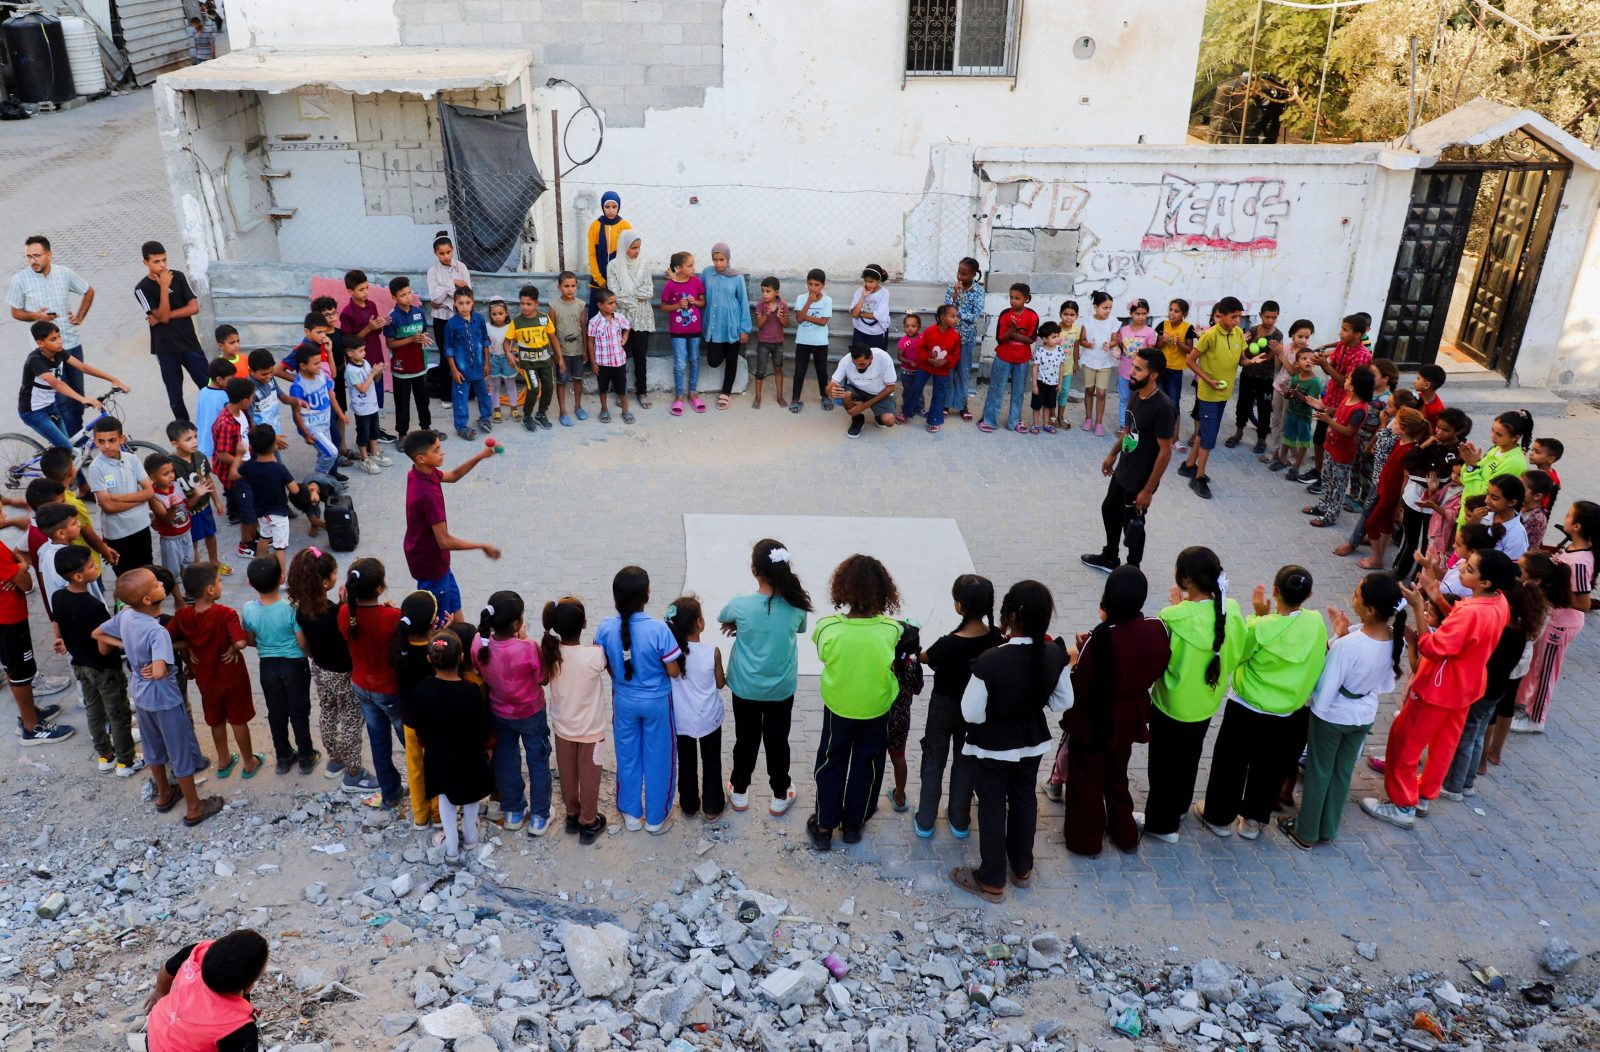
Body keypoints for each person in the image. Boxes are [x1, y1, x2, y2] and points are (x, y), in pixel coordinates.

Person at [1362, 548, 1519, 828]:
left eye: (1470, 569)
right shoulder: (1499, 602)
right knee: (1443, 745)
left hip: (1439, 688)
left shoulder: (1472, 612)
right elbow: (1465, 632)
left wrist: (1419, 607)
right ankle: (1422, 795)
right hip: (1465, 687)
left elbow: (1432, 647)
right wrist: (1437, 600)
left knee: (1405, 743)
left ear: (1485, 582)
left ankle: (1402, 805)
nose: (1461, 570)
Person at [950, 580, 1073, 902]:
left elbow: (971, 712)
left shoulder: (991, 660)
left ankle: (991, 878)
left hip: (992, 746)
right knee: (1024, 800)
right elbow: (1063, 701)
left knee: (992, 807)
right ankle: (1022, 867)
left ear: (1011, 616)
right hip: (1032, 742)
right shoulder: (1052, 654)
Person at [1195, 566, 1326, 840]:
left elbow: (1240, 653)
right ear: (1309, 594)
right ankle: (1253, 822)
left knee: (1230, 763)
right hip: (1287, 712)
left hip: (1246, 707)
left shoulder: (1259, 626)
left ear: (1274, 591)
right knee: (1270, 767)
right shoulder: (1315, 623)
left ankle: (1219, 818)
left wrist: (1257, 615)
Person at [1278, 573, 1403, 848]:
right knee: (1341, 772)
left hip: (1332, 715)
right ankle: (1328, 828)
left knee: (1319, 772)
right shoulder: (1393, 638)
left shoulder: (1349, 645)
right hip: (1363, 714)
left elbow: (1326, 685)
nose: (1352, 597)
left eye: (1357, 594)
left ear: (1369, 609)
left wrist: (1314, 708)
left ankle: (1306, 832)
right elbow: (1385, 685)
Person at [94, 568, 224, 824]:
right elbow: (161, 669)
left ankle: (164, 793)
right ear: (146, 599)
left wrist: (128, 649)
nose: (162, 585)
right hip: (164, 697)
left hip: (140, 694)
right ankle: (194, 806)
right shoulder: (157, 632)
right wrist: (153, 665)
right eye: (156, 584)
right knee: (180, 750)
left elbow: (97, 634)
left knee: (152, 747)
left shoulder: (126, 616)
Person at [1058, 566, 1169, 856]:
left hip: (1094, 721)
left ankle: (1086, 841)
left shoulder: (1101, 639)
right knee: (1117, 775)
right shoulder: (1157, 630)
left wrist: (1075, 660)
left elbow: (1081, 685)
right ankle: (1125, 834)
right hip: (1129, 716)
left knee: (1085, 781)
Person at [1143, 546, 1246, 843]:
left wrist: (1177, 609)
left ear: (1185, 581)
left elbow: (1163, 660)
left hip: (1171, 706)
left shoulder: (1173, 617)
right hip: (1205, 704)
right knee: (1189, 757)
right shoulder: (1231, 611)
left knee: (1163, 766)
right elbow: (1236, 650)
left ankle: (1162, 826)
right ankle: (1178, 808)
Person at [808, 555, 902, 851]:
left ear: (843, 589)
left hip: (839, 709)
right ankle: (853, 825)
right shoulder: (892, 630)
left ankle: (824, 826)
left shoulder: (827, 628)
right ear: (883, 592)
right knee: (868, 765)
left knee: (830, 761)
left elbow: (824, 655)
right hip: (876, 708)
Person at [1439, 554, 1548, 800]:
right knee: (1477, 736)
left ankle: (1454, 786)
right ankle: (1467, 783)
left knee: (1466, 737)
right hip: (1496, 691)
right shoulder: (1520, 631)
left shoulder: (1503, 633)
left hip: (1483, 690)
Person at [718, 539, 810, 816]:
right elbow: (800, 628)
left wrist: (739, 626)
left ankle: (740, 790)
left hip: (745, 688)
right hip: (781, 689)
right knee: (777, 741)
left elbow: (723, 617)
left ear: (755, 570)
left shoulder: (741, 606)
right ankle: (780, 793)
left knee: (745, 740)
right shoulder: (796, 605)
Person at [596, 566, 683, 833]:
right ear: (647, 594)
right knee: (660, 757)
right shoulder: (659, 629)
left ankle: (631, 814)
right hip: (657, 702)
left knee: (627, 755)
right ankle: (656, 818)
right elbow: (673, 670)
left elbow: (604, 663)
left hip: (624, 700)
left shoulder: (605, 628)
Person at [914, 574, 1000, 839]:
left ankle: (926, 819)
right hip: (976, 712)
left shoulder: (948, 644)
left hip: (944, 707)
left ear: (959, 606)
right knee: (967, 760)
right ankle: (959, 819)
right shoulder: (996, 639)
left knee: (934, 758)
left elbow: (926, 657)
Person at [286, 548, 375, 792]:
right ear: (325, 582)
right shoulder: (336, 612)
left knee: (327, 711)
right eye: (335, 573)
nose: (338, 576)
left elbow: (305, 645)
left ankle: (335, 760)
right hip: (343, 673)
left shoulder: (301, 609)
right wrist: (346, 606)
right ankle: (354, 773)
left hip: (320, 669)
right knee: (350, 719)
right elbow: (348, 635)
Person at [1081, 348, 1176, 573]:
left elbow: (1165, 452)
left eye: (1138, 369)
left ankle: (1133, 569)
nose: (1131, 372)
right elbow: (1128, 429)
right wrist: (1113, 454)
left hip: (1141, 479)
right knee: (1109, 509)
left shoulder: (1163, 408)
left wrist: (1148, 490)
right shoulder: (1137, 392)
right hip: (1124, 469)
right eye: (1133, 366)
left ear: (1153, 375)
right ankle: (1110, 557)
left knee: (1133, 525)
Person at [168, 561, 262, 780]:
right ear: (210, 590)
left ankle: (223, 760)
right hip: (232, 677)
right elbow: (240, 643)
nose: (220, 585)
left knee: (216, 720)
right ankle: (249, 761)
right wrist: (233, 646)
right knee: (238, 720)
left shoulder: (183, 616)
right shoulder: (225, 614)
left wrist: (187, 645)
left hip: (206, 679)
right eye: (219, 581)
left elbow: (165, 638)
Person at [1511, 500, 1596, 733]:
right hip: (1551, 618)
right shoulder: (1572, 549)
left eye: (1569, 515)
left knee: (1545, 669)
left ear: (1577, 526)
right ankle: (1522, 702)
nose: (1565, 518)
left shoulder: (1580, 562)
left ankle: (1535, 718)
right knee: (1535, 662)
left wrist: (1549, 592)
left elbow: (1583, 603)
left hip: (1561, 624)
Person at [473, 590, 552, 835]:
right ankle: (539, 815)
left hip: (499, 713)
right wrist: (524, 640)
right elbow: (543, 678)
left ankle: (513, 811)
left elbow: (478, 668)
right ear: (517, 623)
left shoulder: (479, 642)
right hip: (531, 713)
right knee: (538, 761)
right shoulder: (528, 647)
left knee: (506, 761)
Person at [401, 428, 500, 622]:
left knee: (456, 615)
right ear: (421, 458)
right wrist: (481, 545)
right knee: (442, 625)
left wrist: (480, 456)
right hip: (431, 567)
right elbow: (444, 541)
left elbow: (453, 475)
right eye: (436, 450)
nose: (442, 452)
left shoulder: (420, 473)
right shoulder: (427, 494)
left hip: (438, 564)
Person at [412, 630, 494, 863]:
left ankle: (451, 848)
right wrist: (488, 746)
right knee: (470, 798)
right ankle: (470, 838)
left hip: (438, 754)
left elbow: (420, 724)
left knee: (446, 797)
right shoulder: (470, 691)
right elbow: (481, 725)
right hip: (468, 754)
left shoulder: (423, 689)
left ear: (429, 659)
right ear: (461, 656)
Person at [50, 546, 135, 768]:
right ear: (78, 576)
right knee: (118, 713)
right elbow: (103, 644)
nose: (96, 566)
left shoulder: (58, 596)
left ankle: (105, 755)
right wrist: (121, 645)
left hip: (79, 664)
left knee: (94, 711)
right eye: (91, 566)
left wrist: (59, 639)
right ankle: (126, 760)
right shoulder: (94, 606)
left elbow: (56, 620)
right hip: (103, 668)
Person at [339, 560, 409, 814]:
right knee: (410, 741)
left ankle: (390, 794)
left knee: (379, 743)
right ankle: (424, 789)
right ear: (380, 588)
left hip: (361, 686)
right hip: (389, 690)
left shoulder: (345, 613)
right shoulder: (392, 617)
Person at [8, 235, 95, 435]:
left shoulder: (64, 273)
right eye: (28, 257)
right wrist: (35, 316)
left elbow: (88, 291)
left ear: (48, 255)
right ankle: (74, 445)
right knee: (61, 400)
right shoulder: (20, 280)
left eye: (37, 255)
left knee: (78, 395)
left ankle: (75, 436)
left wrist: (80, 316)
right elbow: (15, 312)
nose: (32, 261)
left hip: (71, 344)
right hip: (45, 352)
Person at [240, 555, 318, 776]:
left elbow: (250, 638)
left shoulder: (248, 609)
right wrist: (310, 655)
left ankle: (283, 757)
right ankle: (305, 757)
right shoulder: (291, 608)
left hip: (268, 665)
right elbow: (302, 641)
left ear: (250, 582)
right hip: (294, 664)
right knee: (299, 711)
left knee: (276, 712)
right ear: (281, 578)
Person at [542, 596, 610, 844]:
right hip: (591, 730)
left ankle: (572, 815)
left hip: (563, 728)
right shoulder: (594, 655)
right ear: (584, 624)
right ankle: (588, 822)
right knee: (590, 777)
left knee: (568, 773)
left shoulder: (551, 654)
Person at [1, 535, 73, 746]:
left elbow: (17, 563)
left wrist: (19, 566)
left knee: (12, 667)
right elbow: (26, 584)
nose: (3, 518)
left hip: (7, 617)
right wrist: (22, 568)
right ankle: (32, 728)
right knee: (20, 671)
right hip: (8, 618)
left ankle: (28, 714)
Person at [144, 929, 268, 1051]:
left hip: (155, 1034)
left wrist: (160, 991)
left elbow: (166, 969)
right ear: (250, 985)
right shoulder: (237, 1026)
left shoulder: (198, 953)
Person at [18, 320, 128, 447]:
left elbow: (82, 367)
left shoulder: (58, 352)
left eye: (59, 336)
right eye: (53, 339)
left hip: (51, 406)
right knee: (67, 449)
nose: (59, 341)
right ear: (40, 343)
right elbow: (57, 384)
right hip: (33, 412)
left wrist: (113, 379)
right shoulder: (35, 360)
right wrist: (83, 399)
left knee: (68, 446)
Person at [1177, 295, 1245, 501]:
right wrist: (1208, 380)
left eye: (1239, 317)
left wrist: (1253, 361)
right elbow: (1190, 360)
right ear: (1221, 316)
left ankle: (1188, 465)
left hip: (1225, 393)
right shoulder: (1210, 335)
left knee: (1204, 432)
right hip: (1208, 394)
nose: (1237, 321)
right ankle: (1198, 477)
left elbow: (1242, 360)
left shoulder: (1238, 333)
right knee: (1209, 438)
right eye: (1233, 317)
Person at [134, 241, 209, 422]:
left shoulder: (179, 277)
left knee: (208, 386)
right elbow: (163, 315)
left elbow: (193, 308)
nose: (163, 265)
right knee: (175, 397)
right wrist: (162, 289)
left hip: (189, 342)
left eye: (164, 260)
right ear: (146, 263)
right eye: (157, 262)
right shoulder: (141, 289)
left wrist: (161, 317)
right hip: (165, 348)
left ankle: (216, 421)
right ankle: (184, 431)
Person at [666, 595, 727, 820]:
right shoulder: (713, 652)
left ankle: (689, 805)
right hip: (709, 718)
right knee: (712, 761)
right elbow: (720, 684)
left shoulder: (671, 657)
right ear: (700, 623)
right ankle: (712, 807)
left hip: (682, 720)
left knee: (687, 763)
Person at [1303, 313, 1373, 489]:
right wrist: (1322, 361)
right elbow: (1333, 369)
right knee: (1320, 438)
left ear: (1357, 334)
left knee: (1334, 443)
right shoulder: (1342, 346)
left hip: (1345, 405)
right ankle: (1319, 471)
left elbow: (1347, 383)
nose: (1341, 333)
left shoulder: (1361, 356)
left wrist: (1325, 365)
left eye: (1345, 329)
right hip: (1330, 399)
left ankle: (1327, 480)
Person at [1356, 408, 1430, 569]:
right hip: (1385, 488)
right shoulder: (1400, 440)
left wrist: (1399, 502)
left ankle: (1376, 559)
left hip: (1391, 494)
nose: (1392, 424)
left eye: (1396, 422)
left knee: (1372, 524)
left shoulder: (1409, 449)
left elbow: (1405, 478)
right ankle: (1379, 555)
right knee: (1385, 525)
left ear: (1405, 429)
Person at [1302, 365, 1375, 528]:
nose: (1345, 379)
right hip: (1331, 448)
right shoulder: (1348, 397)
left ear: (1355, 386)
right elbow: (1337, 411)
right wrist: (1322, 407)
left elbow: (1349, 431)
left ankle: (1331, 515)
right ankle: (1322, 507)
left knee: (1338, 486)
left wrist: (1328, 420)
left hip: (1343, 454)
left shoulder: (1360, 409)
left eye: (1349, 378)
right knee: (1327, 479)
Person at [88, 416, 156, 573]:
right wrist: (140, 498)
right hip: (118, 533)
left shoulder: (132, 459)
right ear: (95, 441)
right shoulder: (96, 468)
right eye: (101, 441)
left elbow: (150, 491)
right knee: (127, 575)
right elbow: (108, 506)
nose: (106, 446)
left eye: (112, 440)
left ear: (122, 439)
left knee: (147, 569)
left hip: (141, 525)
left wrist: (117, 498)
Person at [235, 425, 303, 573]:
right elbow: (295, 489)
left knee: (264, 538)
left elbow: (234, 474)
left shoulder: (249, 466)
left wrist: (239, 454)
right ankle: (281, 577)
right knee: (279, 547)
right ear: (274, 445)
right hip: (278, 514)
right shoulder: (279, 469)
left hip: (261, 512)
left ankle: (258, 569)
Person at [978, 283, 1038, 434]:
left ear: (1027, 299)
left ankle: (1014, 422)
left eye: (1017, 298)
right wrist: (1011, 330)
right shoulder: (1005, 315)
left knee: (1018, 391)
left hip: (1022, 359)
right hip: (1003, 357)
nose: (1013, 301)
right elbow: (1001, 339)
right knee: (996, 389)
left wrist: (1011, 333)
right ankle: (989, 420)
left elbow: (1030, 339)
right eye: (1011, 297)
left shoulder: (1032, 316)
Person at [338, 269, 391, 436]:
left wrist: (381, 324)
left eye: (367, 288)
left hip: (375, 356)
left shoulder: (371, 305)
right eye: (361, 289)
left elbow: (377, 331)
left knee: (377, 395)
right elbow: (348, 342)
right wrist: (369, 327)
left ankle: (376, 430)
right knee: (364, 397)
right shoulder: (347, 313)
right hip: (359, 364)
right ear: (350, 291)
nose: (366, 292)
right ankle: (366, 433)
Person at [1458, 409, 1533, 527]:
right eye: (1492, 430)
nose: (1493, 437)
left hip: (1481, 520)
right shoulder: (1497, 448)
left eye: (1499, 434)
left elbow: (1484, 494)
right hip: (1467, 510)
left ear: (1515, 437)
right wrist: (1471, 462)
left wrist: (1472, 466)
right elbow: (1464, 480)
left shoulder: (1514, 462)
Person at [211, 378, 258, 561]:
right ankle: (245, 544)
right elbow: (222, 455)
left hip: (247, 465)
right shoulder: (225, 423)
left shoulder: (242, 412)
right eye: (252, 396)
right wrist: (242, 461)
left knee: (253, 505)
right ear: (245, 400)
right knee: (248, 510)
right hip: (237, 473)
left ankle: (254, 537)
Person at [169, 419, 225, 570]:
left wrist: (217, 500)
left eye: (195, 437)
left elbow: (207, 478)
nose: (194, 442)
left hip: (204, 507)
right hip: (187, 512)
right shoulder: (171, 465)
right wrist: (197, 495)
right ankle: (199, 569)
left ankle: (214, 562)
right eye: (188, 439)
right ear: (175, 443)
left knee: (210, 535)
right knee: (192, 543)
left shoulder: (200, 456)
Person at [1226, 300, 1281, 453]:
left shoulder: (1277, 334)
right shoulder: (1252, 331)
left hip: (1266, 378)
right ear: (1260, 315)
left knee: (1264, 408)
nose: (1270, 320)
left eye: (1274, 317)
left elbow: (1269, 357)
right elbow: (1243, 353)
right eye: (1267, 317)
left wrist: (1253, 350)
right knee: (1243, 404)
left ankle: (1262, 438)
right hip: (1248, 374)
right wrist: (1250, 345)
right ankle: (1238, 433)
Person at [608, 230, 655, 407]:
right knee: (620, 356)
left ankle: (642, 392)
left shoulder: (644, 264)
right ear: (624, 247)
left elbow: (649, 291)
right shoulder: (613, 266)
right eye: (633, 248)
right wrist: (635, 297)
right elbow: (614, 294)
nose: (637, 251)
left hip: (643, 316)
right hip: (621, 317)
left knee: (640, 356)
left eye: (638, 248)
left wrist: (627, 295)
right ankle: (621, 391)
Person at [146, 453, 204, 594]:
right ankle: (177, 598)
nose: (171, 476)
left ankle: (190, 593)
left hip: (186, 533)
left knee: (188, 565)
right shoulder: (154, 496)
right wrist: (172, 508)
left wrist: (198, 494)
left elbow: (187, 506)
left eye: (172, 471)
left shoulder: (176, 485)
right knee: (172, 571)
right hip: (171, 541)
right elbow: (167, 519)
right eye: (166, 474)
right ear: (153, 477)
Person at [383, 276, 433, 440]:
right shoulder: (392, 317)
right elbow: (390, 344)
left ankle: (426, 429)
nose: (408, 297)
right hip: (402, 369)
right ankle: (403, 435)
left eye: (409, 292)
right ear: (394, 298)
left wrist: (423, 337)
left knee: (423, 401)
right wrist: (411, 339)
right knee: (402, 403)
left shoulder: (418, 312)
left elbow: (423, 332)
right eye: (403, 295)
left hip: (419, 365)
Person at [702, 243, 751, 410]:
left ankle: (726, 392)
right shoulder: (707, 273)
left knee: (731, 360)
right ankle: (721, 350)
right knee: (713, 361)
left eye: (721, 259)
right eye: (715, 259)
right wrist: (676, 276)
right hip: (714, 326)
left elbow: (743, 303)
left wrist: (744, 329)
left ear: (728, 259)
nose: (718, 264)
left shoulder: (736, 277)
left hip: (732, 325)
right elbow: (697, 290)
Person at [443, 286, 492, 440]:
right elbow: (448, 349)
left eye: (467, 302)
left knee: (483, 394)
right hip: (461, 371)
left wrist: (487, 363)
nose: (464, 306)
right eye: (460, 303)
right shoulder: (451, 324)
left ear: (473, 303)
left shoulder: (479, 320)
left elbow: (485, 341)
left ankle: (485, 418)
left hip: (479, 367)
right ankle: (461, 426)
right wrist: (454, 371)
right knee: (460, 399)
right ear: (455, 304)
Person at [1265, 319, 1314, 469]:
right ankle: (1274, 449)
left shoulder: (1306, 354)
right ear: (1292, 334)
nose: (1303, 340)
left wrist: (1282, 355)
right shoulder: (1285, 348)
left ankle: (1285, 453)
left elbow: (1293, 372)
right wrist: (1276, 354)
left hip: (1292, 392)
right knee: (1276, 419)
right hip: (1278, 387)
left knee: (1286, 422)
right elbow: (1278, 368)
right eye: (1300, 336)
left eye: (1307, 337)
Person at [661, 253, 706, 416]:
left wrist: (696, 302)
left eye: (693, 265)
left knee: (694, 360)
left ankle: (692, 393)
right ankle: (679, 395)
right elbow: (663, 307)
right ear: (678, 268)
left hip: (695, 331)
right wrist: (678, 305)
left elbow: (703, 302)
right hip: (678, 332)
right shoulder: (670, 286)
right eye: (689, 266)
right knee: (680, 364)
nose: (693, 268)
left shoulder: (696, 282)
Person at [509, 285, 558, 431]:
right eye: (522, 303)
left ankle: (541, 414)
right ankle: (527, 416)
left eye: (528, 304)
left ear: (536, 304)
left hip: (545, 362)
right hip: (529, 364)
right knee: (533, 388)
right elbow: (507, 341)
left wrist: (559, 358)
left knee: (549, 387)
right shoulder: (517, 322)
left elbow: (553, 338)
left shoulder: (544, 319)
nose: (524, 307)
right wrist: (509, 353)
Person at [943, 257, 985, 422]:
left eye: (965, 273)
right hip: (950, 337)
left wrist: (957, 314)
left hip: (966, 338)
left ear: (974, 274)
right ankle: (946, 403)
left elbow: (974, 316)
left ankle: (961, 405)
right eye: (959, 272)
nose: (960, 276)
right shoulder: (951, 287)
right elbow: (946, 310)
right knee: (949, 370)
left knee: (963, 371)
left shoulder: (978, 291)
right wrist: (955, 295)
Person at [827, 343, 898, 439]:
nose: (857, 367)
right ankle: (857, 419)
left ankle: (879, 415)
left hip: (880, 392)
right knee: (845, 394)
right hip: (857, 390)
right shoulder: (846, 360)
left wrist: (864, 406)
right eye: (854, 363)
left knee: (889, 421)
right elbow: (830, 386)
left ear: (871, 358)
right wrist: (831, 391)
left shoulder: (883, 357)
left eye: (861, 364)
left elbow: (891, 388)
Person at [789, 268, 833, 414]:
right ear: (806, 284)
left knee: (822, 372)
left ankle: (825, 397)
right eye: (810, 284)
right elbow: (798, 319)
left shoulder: (827, 300)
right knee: (799, 371)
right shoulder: (801, 298)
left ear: (823, 285)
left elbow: (823, 322)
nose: (813, 288)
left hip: (820, 342)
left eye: (817, 285)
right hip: (803, 341)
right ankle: (795, 399)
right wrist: (808, 302)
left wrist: (806, 316)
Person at [1110, 298, 1157, 433]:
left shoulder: (1149, 332)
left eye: (1144, 313)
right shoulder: (1123, 330)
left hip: (1142, 373)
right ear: (1131, 314)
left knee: (1138, 399)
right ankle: (1123, 426)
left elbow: (1151, 353)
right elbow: (1119, 347)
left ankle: (1136, 426)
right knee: (1124, 398)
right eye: (1137, 313)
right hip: (1125, 371)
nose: (1141, 316)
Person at [587, 289, 633, 424]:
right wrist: (593, 363)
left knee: (621, 387)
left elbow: (628, 327)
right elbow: (590, 343)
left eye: (615, 303)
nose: (613, 306)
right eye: (610, 303)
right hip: (602, 362)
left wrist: (624, 337)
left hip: (618, 360)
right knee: (602, 387)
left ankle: (625, 411)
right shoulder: (594, 322)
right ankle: (604, 409)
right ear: (600, 305)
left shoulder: (619, 317)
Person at [1153, 298, 1196, 443]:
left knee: (1173, 404)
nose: (1172, 313)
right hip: (1160, 369)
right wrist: (1162, 341)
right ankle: (1157, 435)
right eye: (1170, 310)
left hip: (1175, 372)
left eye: (1176, 311)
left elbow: (1190, 349)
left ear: (1183, 314)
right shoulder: (1162, 325)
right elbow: (1156, 347)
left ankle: (1174, 438)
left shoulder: (1188, 328)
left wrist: (1179, 343)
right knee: (1158, 402)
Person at [1076, 291, 1119, 436]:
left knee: (1101, 393)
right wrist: (1088, 344)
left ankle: (1099, 422)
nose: (1107, 311)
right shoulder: (1087, 321)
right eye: (1104, 308)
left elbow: (1115, 339)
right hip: (1089, 360)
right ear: (1095, 307)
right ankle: (1088, 418)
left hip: (1105, 362)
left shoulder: (1113, 321)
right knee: (1089, 390)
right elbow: (1081, 340)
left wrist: (1110, 345)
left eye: (1110, 308)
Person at [344, 339, 389, 474]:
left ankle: (374, 454)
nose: (364, 353)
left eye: (364, 349)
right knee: (363, 433)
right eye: (361, 351)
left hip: (372, 405)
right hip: (362, 408)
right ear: (350, 353)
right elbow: (362, 389)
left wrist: (379, 371)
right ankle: (364, 459)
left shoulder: (366, 363)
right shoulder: (350, 371)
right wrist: (373, 373)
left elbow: (376, 380)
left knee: (374, 431)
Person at [551, 271, 590, 424]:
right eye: (566, 286)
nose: (570, 289)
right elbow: (551, 331)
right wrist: (556, 354)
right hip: (562, 352)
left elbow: (583, 327)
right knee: (561, 381)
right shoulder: (554, 306)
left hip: (578, 350)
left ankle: (578, 406)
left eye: (573, 286)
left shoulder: (580, 305)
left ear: (577, 287)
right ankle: (562, 411)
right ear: (559, 287)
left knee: (578, 379)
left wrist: (585, 350)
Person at [916, 304, 960, 433]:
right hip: (926, 366)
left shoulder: (955, 336)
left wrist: (946, 361)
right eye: (953, 316)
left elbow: (955, 355)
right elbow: (921, 348)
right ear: (942, 318)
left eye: (956, 316)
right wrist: (928, 359)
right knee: (916, 387)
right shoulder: (930, 331)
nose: (956, 319)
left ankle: (934, 420)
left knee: (939, 394)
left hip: (943, 370)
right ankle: (909, 411)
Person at [586, 190, 631, 312]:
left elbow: (630, 254)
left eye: (614, 206)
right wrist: (600, 280)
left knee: (618, 313)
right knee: (597, 312)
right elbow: (592, 254)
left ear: (618, 207)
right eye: (607, 207)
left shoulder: (625, 226)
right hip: (599, 280)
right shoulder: (595, 226)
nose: (611, 210)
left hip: (619, 278)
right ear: (602, 207)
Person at [426, 232, 470, 357]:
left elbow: (466, 294)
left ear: (453, 250)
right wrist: (453, 282)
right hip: (441, 319)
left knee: (462, 353)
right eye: (441, 253)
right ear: (435, 253)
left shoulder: (461, 267)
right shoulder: (433, 271)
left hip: (460, 317)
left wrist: (443, 290)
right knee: (445, 355)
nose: (446, 256)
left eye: (448, 252)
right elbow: (435, 299)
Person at [750, 276, 788, 409]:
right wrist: (766, 314)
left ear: (776, 292)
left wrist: (780, 316)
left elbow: (786, 324)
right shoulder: (761, 304)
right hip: (763, 343)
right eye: (763, 291)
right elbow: (759, 325)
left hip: (778, 343)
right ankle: (758, 397)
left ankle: (779, 396)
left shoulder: (782, 304)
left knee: (778, 369)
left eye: (768, 291)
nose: (764, 294)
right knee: (760, 371)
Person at [1029, 321, 1069, 434]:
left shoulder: (1060, 350)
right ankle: (1035, 425)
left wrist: (1060, 383)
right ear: (1045, 339)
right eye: (1054, 337)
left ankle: (1046, 424)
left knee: (1048, 405)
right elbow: (1035, 368)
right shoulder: (1040, 351)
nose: (1057, 339)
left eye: (1058, 336)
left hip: (1053, 384)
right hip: (1041, 383)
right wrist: (1035, 385)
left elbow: (1061, 368)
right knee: (1037, 406)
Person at [195, 356, 238, 460]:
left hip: (201, 443)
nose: (233, 381)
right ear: (219, 379)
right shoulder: (224, 396)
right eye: (231, 378)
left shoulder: (203, 391)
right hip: (217, 445)